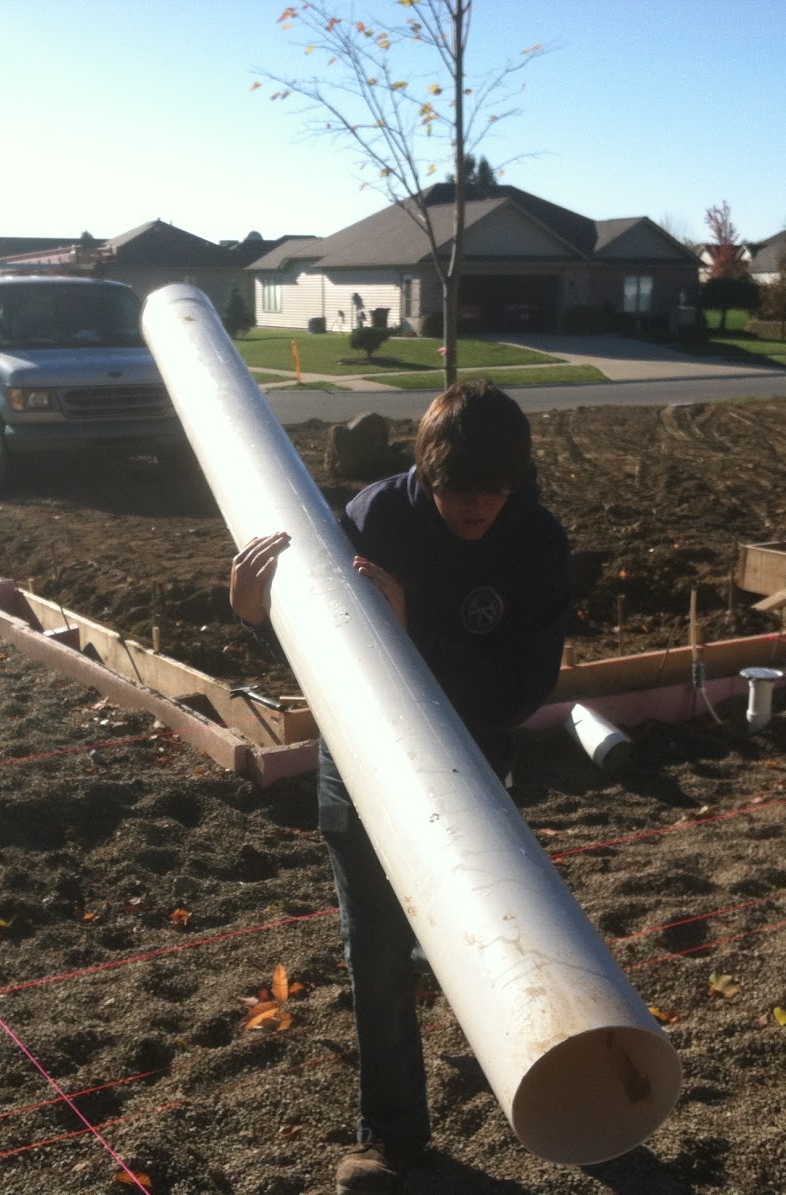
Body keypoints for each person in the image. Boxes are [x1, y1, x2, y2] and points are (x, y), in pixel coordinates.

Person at [229, 380, 572, 1192]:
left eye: (496, 488)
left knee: (474, 938)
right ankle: (392, 1138)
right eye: (460, 487)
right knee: (376, 954)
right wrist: (253, 613)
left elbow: (517, 693)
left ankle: (498, 1044)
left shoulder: (536, 544)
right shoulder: (375, 519)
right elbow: (322, 651)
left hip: (467, 772)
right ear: (427, 467)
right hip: (361, 765)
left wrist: (411, 630)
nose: (478, 504)